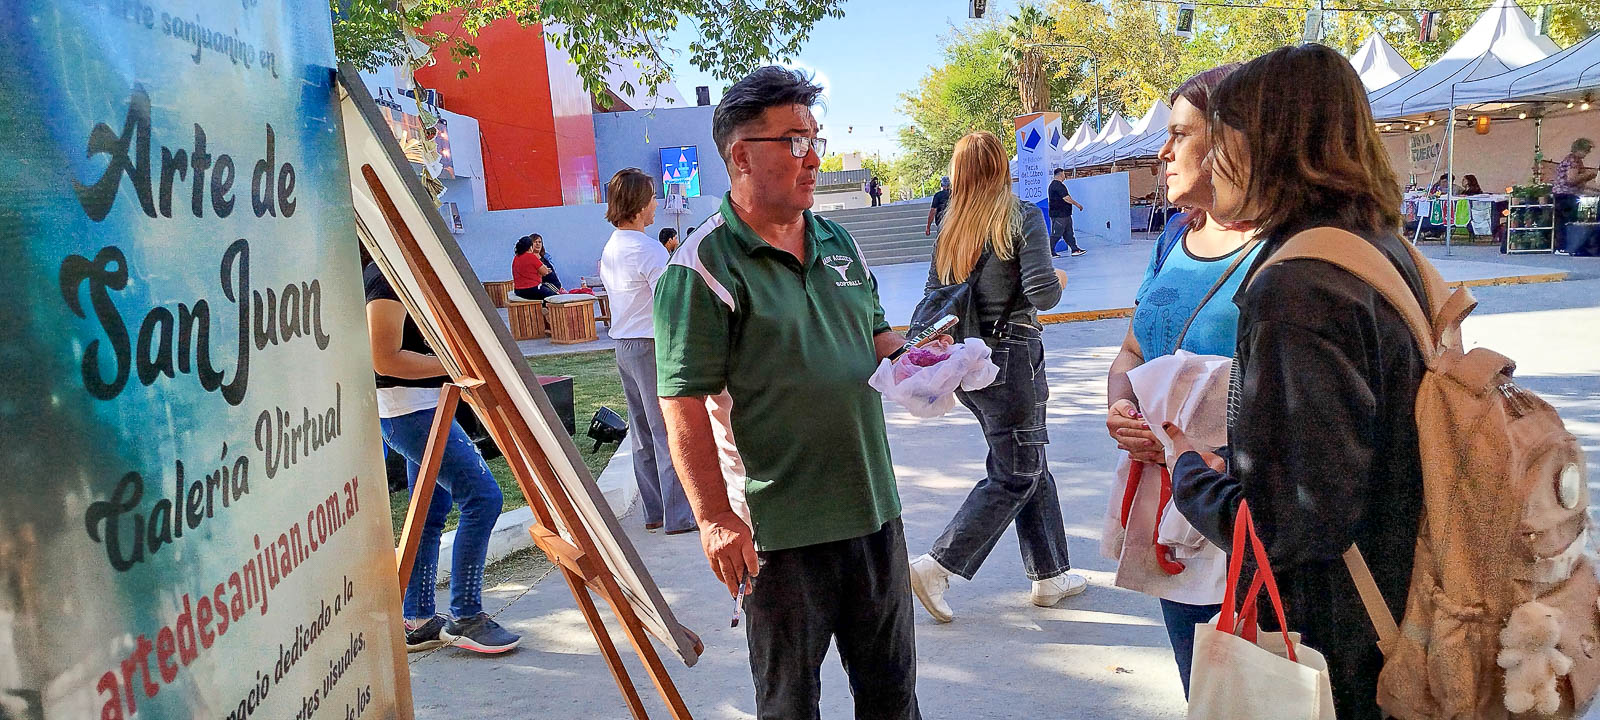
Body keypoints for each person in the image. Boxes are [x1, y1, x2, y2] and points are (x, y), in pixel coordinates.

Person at [1166, 44, 1427, 720]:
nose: (1212, 158)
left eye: (1220, 137)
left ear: (1265, 144)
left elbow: (1294, 522)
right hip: (1406, 601)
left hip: (1338, 643)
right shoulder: (1379, 249)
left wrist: (1190, 476)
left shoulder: (1297, 283)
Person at [654, 66, 921, 719]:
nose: (814, 157)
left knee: (892, 698)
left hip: (872, 509)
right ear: (741, 155)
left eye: (815, 138)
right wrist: (715, 518)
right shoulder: (702, 267)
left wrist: (927, 362)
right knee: (789, 704)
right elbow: (682, 401)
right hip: (776, 531)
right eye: (795, 141)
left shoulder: (839, 240)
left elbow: (876, 335)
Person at [1102, 62, 1256, 697]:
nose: (1162, 152)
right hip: (1172, 511)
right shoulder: (1173, 237)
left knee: (1260, 695)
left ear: (1230, 142)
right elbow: (1133, 350)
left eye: (1181, 134)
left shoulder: (1289, 249)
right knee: (1206, 692)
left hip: (1243, 516)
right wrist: (1120, 409)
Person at [905, 131, 1086, 623]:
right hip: (1014, 359)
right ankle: (938, 565)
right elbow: (1043, 294)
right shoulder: (1020, 217)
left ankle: (1050, 573)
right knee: (1017, 471)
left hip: (970, 363)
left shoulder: (950, 224)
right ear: (1002, 167)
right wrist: (1063, 278)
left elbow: (932, 296)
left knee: (1028, 457)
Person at [363, 249, 522, 655]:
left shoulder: (404, 267)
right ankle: (466, 615)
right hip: (408, 410)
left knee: (431, 512)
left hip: (427, 406)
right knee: (483, 498)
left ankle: (417, 620)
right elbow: (384, 358)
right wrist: (455, 362)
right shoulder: (386, 272)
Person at [600, 169, 696, 535]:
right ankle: (679, 515)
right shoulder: (647, 249)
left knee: (641, 434)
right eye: (653, 197)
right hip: (650, 344)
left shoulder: (612, 246)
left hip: (623, 345)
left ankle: (655, 512)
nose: (656, 203)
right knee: (667, 430)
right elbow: (670, 303)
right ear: (640, 205)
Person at [1554, 138, 1598, 250]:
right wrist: (1589, 174)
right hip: (1565, 195)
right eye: (1586, 150)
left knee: (1565, 221)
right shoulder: (1573, 160)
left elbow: (1580, 183)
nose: (1587, 153)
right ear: (1580, 149)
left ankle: (1563, 246)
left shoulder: (1574, 161)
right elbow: (1572, 180)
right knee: (1568, 222)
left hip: (1564, 194)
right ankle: (1564, 247)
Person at [511, 233, 564, 300]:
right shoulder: (530, 256)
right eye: (535, 242)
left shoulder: (516, 258)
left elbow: (527, 272)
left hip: (518, 290)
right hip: (532, 289)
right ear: (530, 246)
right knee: (554, 297)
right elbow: (544, 272)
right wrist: (545, 270)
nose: (537, 244)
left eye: (539, 242)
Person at [1048, 168, 1086, 257]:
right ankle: (1049, 251)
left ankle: (1075, 249)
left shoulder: (1056, 185)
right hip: (1059, 215)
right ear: (1061, 174)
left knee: (1068, 233)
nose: (1065, 176)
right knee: (1056, 234)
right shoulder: (1057, 185)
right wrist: (1077, 204)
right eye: (1064, 174)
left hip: (1065, 214)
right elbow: (1066, 198)